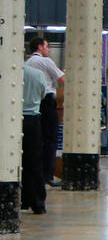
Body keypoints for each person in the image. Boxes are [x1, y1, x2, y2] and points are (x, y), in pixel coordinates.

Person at [26, 36, 63, 187]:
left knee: (38, 140)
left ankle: (38, 175)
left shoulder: (28, 63)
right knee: (50, 140)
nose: (48, 49)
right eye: (47, 46)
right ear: (40, 47)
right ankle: (48, 175)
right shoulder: (46, 61)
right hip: (48, 102)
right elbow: (62, 79)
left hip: (34, 104)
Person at [21, 57, 48, 213]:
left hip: (11, 120)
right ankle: (37, 202)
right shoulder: (38, 74)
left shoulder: (8, 74)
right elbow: (42, 94)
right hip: (33, 120)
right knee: (34, 162)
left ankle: (21, 200)